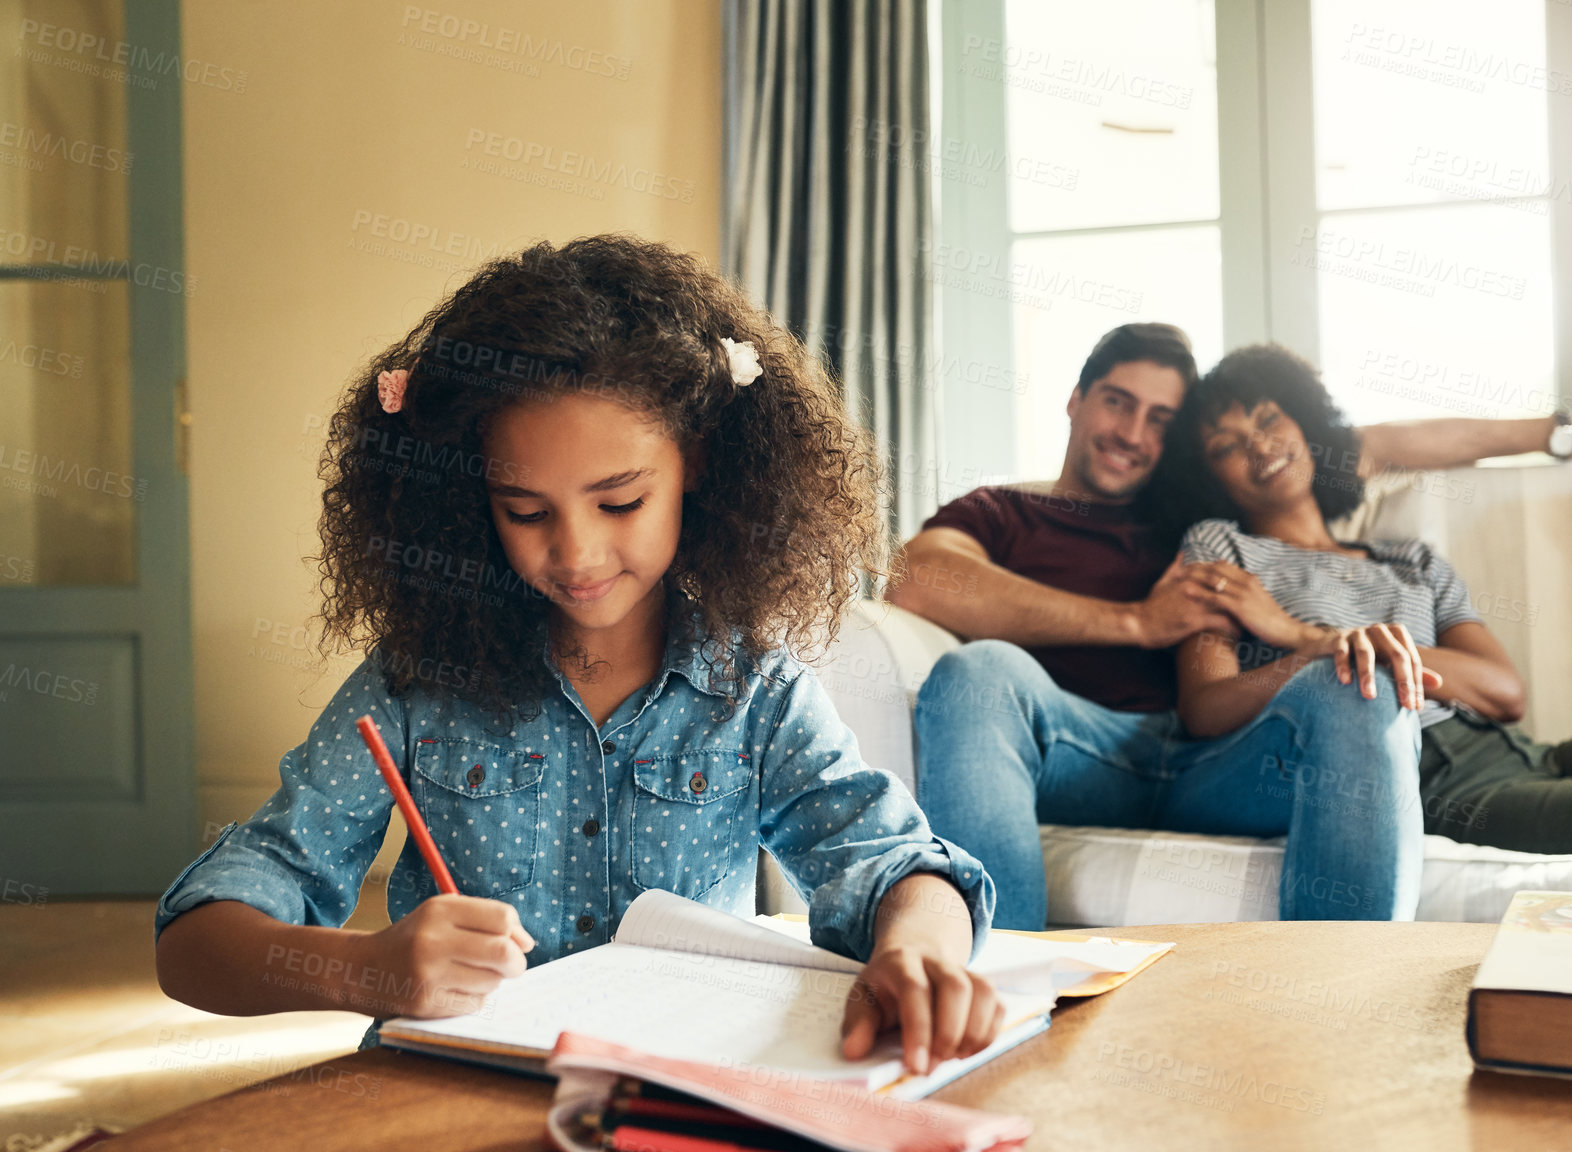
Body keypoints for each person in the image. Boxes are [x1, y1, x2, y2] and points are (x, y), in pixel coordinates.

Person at [154, 235, 1003, 1075]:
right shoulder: (415, 684)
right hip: (449, 1100)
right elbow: (194, 939)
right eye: (526, 511)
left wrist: (916, 952)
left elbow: (897, 865)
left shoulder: (756, 694)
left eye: (621, 501)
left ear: (698, 464)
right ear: (469, 500)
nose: (578, 554)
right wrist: (364, 969)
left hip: (671, 1099)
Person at [888, 323, 1572, 929]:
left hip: (1228, 764)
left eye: (1160, 421)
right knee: (977, 672)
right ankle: (1002, 990)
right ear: (1077, 401)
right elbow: (918, 577)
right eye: (1117, 402)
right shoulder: (1005, 512)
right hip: (1085, 748)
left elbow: (1382, 441)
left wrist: (1553, 431)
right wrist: (1138, 622)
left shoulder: (1209, 516)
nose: (1132, 433)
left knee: (1350, 678)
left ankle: (1339, 1006)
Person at [1162, 343, 1572, 882]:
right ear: (1209, 477)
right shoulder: (1222, 549)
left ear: (1304, 424)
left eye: (1267, 420)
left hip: (1532, 755)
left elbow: (1504, 692)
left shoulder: (1410, 560)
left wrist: (1300, 634)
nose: (1259, 447)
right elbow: (1207, 709)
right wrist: (1328, 653)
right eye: (1226, 446)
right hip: (1448, 789)